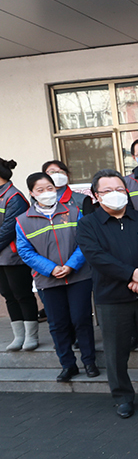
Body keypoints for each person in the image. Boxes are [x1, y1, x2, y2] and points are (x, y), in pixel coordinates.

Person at [76, 170, 138, 419]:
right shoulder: (88, 224)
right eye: (108, 190)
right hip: (112, 297)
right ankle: (122, 396)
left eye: (120, 189)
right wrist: (131, 274)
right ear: (96, 195)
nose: (115, 194)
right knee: (116, 350)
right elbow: (97, 257)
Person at [16, 172, 98, 382]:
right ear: (32, 193)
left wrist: (71, 265)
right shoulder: (23, 220)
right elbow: (25, 251)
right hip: (48, 280)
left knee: (81, 319)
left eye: (50, 188)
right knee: (57, 323)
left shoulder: (74, 212)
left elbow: (85, 241)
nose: (46, 193)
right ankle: (68, 365)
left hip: (78, 276)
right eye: (40, 190)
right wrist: (51, 269)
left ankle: (89, 361)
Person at [0, 157, 39, 351]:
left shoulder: (14, 196)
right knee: (8, 295)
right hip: (1, 258)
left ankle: (31, 336)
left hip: (13, 256)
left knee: (22, 294)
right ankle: (19, 336)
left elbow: (8, 230)